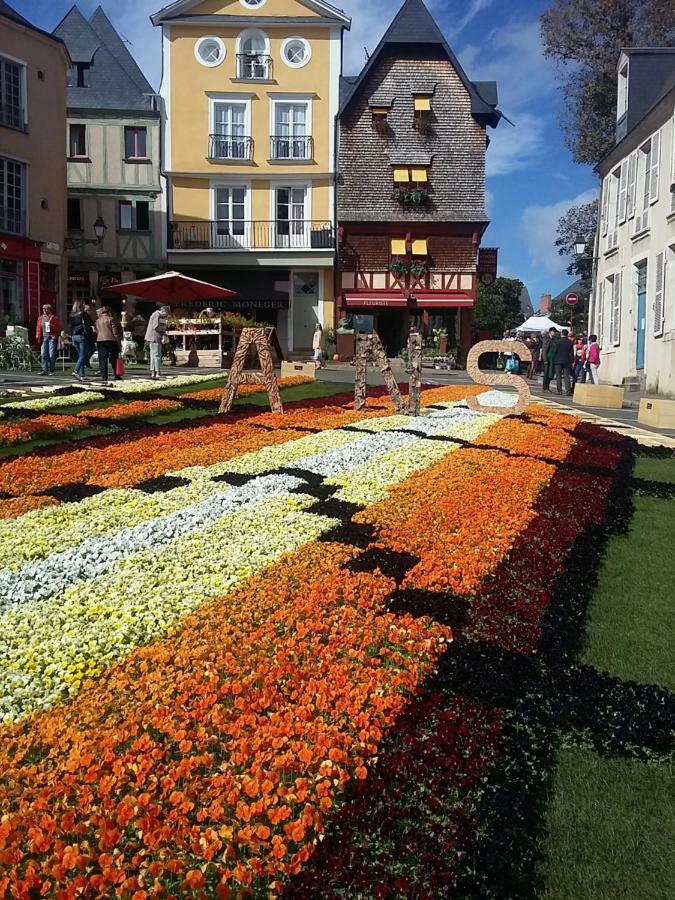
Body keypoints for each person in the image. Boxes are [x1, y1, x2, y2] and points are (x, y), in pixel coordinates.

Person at [94, 306, 122, 384]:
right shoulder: (111, 319)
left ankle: (104, 376)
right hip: (111, 340)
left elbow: (96, 331)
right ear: (108, 312)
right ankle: (116, 375)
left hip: (100, 340)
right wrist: (118, 342)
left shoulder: (97, 321)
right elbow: (115, 332)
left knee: (103, 358)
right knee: (114, 358)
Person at [68, 300, 93, 381]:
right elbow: (90, 322)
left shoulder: (71, 315)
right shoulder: (83, 314)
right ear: (81, 306)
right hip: (81, 335)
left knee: (80, 356)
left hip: (73, 336)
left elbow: (70, 326)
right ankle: (76, 371)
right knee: (83, 355)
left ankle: (82, 375)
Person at [35, 304, 61, 376]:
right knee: (43, 354)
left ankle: (52, 370)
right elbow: (38, 327)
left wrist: (52, 326)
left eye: (46, 309)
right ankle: (44, 370)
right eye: (43, 309)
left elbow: (58, 329)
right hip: (44, 337)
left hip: (51, 338)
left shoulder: (53, 318)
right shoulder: (40, 318)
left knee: (51, 354)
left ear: (49, 309)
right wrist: (37, 335)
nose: (44, 310)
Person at [145, 305, 170, 379]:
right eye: (167, 313)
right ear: (164, 311)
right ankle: (157, 372)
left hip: (154, 337)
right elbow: (156, 326)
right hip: (154, 337)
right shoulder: (157, 315)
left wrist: (163, 332)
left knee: (154, 355)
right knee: (157, 355)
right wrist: (163, 332)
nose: (167, 315)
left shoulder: (160, 316)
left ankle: (154, 372)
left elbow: (162, 326)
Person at [554, 328, 575, 395]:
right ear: (567, 334)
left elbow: (555, 351)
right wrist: (572, 361)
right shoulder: (570, 342)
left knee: (558, 376)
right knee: (567, 376)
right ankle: (568, 391)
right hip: (567, 360)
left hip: (558, 360)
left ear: (561, 334)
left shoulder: (558, 341)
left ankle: (559, 390)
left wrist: (554, 358)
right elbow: (572, 353)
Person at [541, 327, 558, 392]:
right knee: (546, 373)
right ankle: (545, 387)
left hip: (552, 358)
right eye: (554, 332)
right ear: (550, 332)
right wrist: (545, 359)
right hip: (548, 358)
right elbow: (544, 350)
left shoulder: (554, 339)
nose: (555, 333)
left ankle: (547, 387)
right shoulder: (546, 338)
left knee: (551, 374)